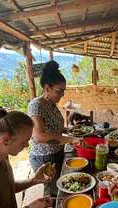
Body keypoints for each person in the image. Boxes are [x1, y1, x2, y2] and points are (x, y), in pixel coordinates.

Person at [28, 60, 79, 196]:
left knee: (60, 188)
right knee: (52, 194)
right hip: (44, 159)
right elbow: (39, 136)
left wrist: (70, 131)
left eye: (63, 90)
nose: (62, 94)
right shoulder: (36, 105)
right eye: (59, 91)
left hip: (57, 153)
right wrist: (71, 139)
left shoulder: (51, 104)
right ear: (47, 88)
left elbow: (56, 129)